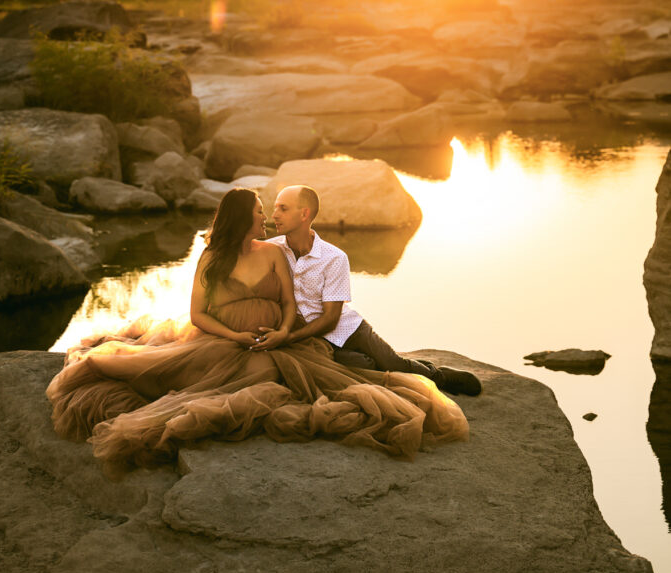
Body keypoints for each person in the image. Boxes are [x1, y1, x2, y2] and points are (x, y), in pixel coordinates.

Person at [46, 188, 469, 474]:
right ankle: (392, 368)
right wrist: (241, 335)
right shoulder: (242, 253)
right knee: (336, 374)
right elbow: (201, 311)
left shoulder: (317, 256)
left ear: (302, 214)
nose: (269, 215)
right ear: (244, 219)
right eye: (263, 211)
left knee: (381, 365)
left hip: (324, 330)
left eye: (277, 210)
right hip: (259, 341)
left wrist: (286, 332)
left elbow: (313, 311)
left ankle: (436, 374)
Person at [268, 184, 482, 397]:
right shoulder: (272, 250)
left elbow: (332, 319)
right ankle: (406, 366)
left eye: (283, 209)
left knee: (391, 363)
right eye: (275, 208)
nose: (274, 215)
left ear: (304, 214)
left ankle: (438, 376)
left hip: (347, 328)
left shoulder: (334, 257)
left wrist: (289, 337)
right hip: (313, 342)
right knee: (368, 367)